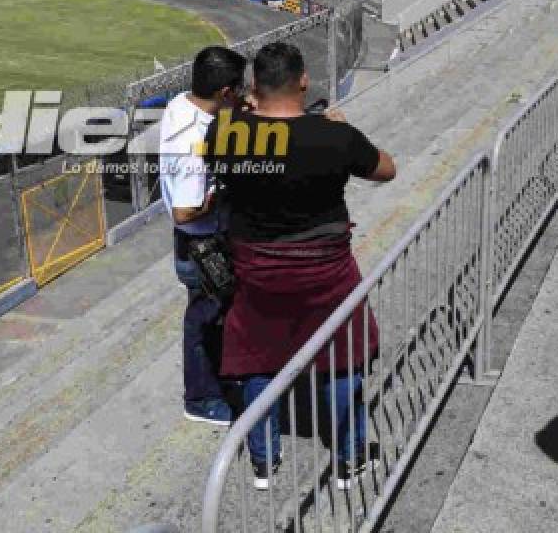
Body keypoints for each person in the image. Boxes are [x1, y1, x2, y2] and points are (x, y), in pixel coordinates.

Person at [205, 42, 397, 490]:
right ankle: (349, 459)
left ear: (254, 87)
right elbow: (387, 170)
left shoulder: (227, 131)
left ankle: (264, 461)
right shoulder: (335, 136)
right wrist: (344, 129)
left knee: (254, 360)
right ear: (304, 81)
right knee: (342, 357)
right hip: (325, 272)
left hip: (257, 273)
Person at [158, 45, 247, 426]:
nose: (243, 93)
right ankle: (201, 398)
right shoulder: (191, 146)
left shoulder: (182, 103)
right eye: (239, 88)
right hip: (200, 244)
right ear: (224, 92)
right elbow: (184, 211)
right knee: (204, 319)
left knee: (214, 316)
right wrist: (219, 194)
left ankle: (218, 380)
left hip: (200, 242)